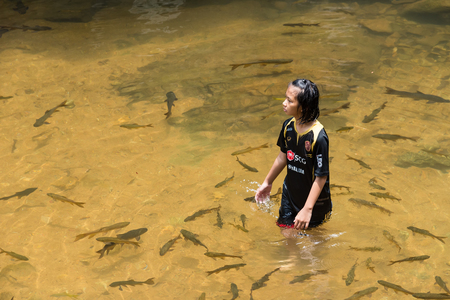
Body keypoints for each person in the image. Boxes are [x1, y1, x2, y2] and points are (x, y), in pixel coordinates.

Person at [255, 79, 332, 231]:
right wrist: (267, 182)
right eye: (285, 98)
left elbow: (321, 177)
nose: (284, 103)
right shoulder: (288, 127)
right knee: (286, 232)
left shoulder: (319, 137)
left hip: (314, 203)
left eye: (289, 101)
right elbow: (282, 156)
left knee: (311, 241)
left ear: (303, 107)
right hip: (289, 195)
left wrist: (308, 209)